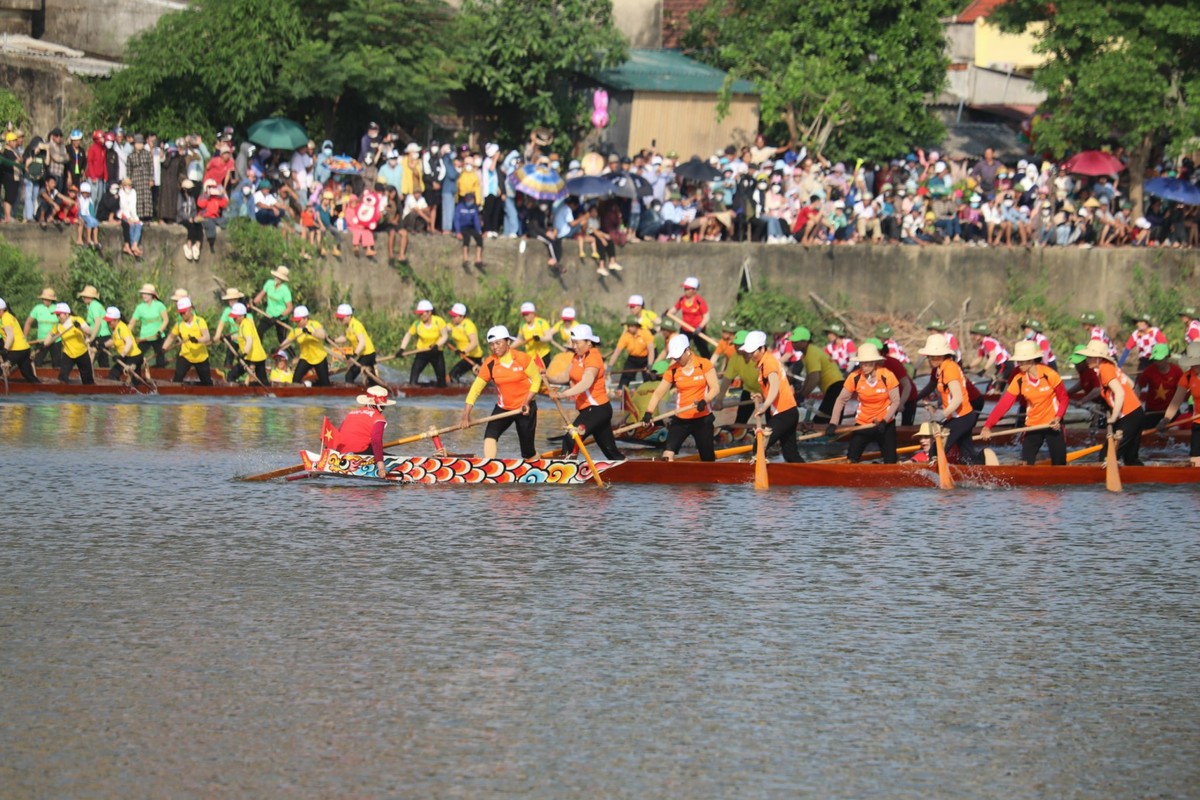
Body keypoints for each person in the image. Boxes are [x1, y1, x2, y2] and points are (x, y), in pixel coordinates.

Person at [981, 339, 1070, 464]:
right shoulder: (1019, 379)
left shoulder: (1050, 374)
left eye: (1021, 361)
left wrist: (1058, 417)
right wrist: (988, 425)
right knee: (1026, 463)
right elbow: (1004, 405)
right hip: (1033, 425)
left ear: (1032, 360)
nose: (1018, 364)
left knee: (1059, 463)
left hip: (1052, 424)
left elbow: (1064, 398)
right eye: (1018, 361)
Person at [460, 325, 540, 459]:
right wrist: (466, 414)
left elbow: (537, 380)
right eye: (491, 344)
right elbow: (475, 389)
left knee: (528, 452)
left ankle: (537, 462)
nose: (494, 347)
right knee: (490, 436)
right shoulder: (489, 363)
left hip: (525, 408)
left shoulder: (522, 358)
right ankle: (490, 467)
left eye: (498, 343)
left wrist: (526, 402)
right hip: (503, 408)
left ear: (508, 342)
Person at [549, 324, 624, 461]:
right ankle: (626, 471)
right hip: (588, 410)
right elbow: (564, 377)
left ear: (589, 343)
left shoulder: (593, 358)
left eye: (577, 343)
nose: (574, 346)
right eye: (573, 343)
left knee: (571, 438)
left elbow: (586, 382)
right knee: (610, 452)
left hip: (598, 409)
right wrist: (545, 376)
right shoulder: (576, 357)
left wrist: (562, 394)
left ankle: (564, 473)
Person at [643, 334, 720, 461]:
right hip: (681, 419)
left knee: (707, 458)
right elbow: (658, 393)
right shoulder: (672, 370)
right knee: (667, 454)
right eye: (674, 357)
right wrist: (648, 412)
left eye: (678, 356)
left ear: (688, 351)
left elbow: (715, 388)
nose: (677, 359)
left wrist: (704, 401)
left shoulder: (704, 364)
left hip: (703, 419)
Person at [827, 342, 901, 463]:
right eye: (862, 363)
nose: (864, 366)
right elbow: (840, 400)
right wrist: (833, 423)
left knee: (890, 461)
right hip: (863, 423)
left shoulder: (887, 375)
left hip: (884, 425)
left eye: (868, 363)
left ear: (875, 362)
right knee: (851, 459)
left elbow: (896, 401)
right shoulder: (854, 377)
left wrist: (885, 420)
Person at [918, 333, 982, 465]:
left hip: (962, 417)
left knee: (935, 451)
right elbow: (944, 393)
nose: (929, 359)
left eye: (932, 356)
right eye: (929, 356)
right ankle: (980, 473)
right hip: (956, 417)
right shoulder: (940, 369)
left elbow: (958, 398)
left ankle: (935, 473)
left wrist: (941, 415)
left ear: (941, 355)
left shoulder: (950, 368)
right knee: (967, 456)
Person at [1079, 339, 1145, 466]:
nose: (1087, 360)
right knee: (1130, 458)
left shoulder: (1105, 370)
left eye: (1090, 357)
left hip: (1129, 416)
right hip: (1135, 413)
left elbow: (1120, 392)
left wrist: (1114, 416)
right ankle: (1144, 481)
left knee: (1107, 457)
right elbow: (1130, 384)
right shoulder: (1110, 367)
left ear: (1098, 358)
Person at [741, 330, 802, 462]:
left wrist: (764, 407)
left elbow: (775, 386)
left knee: (759, 445)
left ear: (762, 348)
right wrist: (762, 397)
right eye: (749, 352)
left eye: (753, 352)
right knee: (790, 454)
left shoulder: (768, 362)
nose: (751, 355)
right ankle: (809, 477)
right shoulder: (763, 363)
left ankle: (755, 478)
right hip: (787, 411)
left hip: (784, 413)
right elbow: (771, 388)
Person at [330, 385, 395, 479]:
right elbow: (376, 441)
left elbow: (338, 434)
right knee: (393, 458)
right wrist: (381, 468)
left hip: (340, 455)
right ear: (381, 406)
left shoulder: (352, 413)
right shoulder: (378, 418)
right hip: (359, 455)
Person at [1156, 342, 1200, 466]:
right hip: (1198, 423)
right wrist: (1166, 419)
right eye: (1192, 364)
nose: (1194, 367)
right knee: (1195, 461)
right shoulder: (1187, 377)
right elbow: (1176, 402)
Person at [790, 326, 844, 424]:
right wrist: (801, 393)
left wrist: (802, 395)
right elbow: (809, 378)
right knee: (826, 419)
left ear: (805, 342)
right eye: (792, 342)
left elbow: (814, 379)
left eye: (795, 342)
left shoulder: (811, 353)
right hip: (834, 388)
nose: (793, 344)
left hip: (836, 387)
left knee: (823, 421)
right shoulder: (807, 354)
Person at [161, 297, 212, 385]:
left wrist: (197, 340)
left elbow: (207, 337)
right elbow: (171, 337)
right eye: (180, 313)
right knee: (177, 378)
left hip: (200, 356)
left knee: (207, 383)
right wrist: (164, 347)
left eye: (184, 312)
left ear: (190, 309)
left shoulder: (200, 321)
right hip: (185, 355)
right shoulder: (179, 324)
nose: (182, 315)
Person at [398, 299, 448, 386]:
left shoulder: (438, 321)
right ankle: (417, 387)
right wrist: (402, 349)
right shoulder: (417, 324)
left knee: (442, 384)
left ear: (429, 312)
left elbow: (445, 336)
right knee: (412, 381)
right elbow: (408, 335)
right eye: (419, 313)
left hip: (436, 352)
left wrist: (437, 345)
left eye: (422, 313)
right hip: (422, 353)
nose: (421, 315)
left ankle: (437, 385)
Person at [46, 302, 95, 384]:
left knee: (88, 381)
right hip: (68, 354)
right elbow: (47, 340)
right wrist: (50, 340)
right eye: (56, 315)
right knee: (62, 378)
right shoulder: (57, 326)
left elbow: (90, 332)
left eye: (59, 314)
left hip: (82, 353)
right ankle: (64, 393)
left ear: (67, 314)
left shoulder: (77, 320)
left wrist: (80, 327)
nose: (58, 317)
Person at [282, 305, 331, 387]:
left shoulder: (314, 324)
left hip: (319, 358)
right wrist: (278, 349)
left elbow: (323, 335)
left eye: (298, 321)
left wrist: (311, 332)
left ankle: (312, 384)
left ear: (305, 318)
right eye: (296, 321)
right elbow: (287, 342)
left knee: (325, 384)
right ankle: (306, 387)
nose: (297, 323)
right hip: (305, 358)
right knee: (295, 381)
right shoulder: (296, 330)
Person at [333, 303, 380, 387]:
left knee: (349, 376)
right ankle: (374, 388)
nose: (340, 320)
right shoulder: (348, 326)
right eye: (339, 318)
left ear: (348, 316)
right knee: (371, 378)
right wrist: (333, 340)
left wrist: (354, 355)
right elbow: (344, 337)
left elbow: (362, 342)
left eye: (341, 318)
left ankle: (352, 392)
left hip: (368, 354)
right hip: (363, 355)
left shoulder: (356, 325)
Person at [1136, 343, 1181, 426]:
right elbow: (1138, 388)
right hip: (1152, 412)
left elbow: (1183, 391)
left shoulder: (1177, 371)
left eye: (1160, 359)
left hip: (1171, 411)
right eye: (1155, 359)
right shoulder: (1148, 371)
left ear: (1167, 357)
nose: (1157, 362)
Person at [666, 277, 711, 358]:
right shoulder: (682, 299)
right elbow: (674, 309)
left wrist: (700, 327)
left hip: (697, 330)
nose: (685, 291)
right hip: (685, 329)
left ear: (694, 290)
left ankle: (709, 364)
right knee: (680, 347)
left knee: (703, 349)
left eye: (687, 289)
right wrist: (667, 314)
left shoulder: (699, 301)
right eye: (685, 289)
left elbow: (706, 317)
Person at [608, 315, 656, 387]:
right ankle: (621, 391)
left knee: (648, 377)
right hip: (632, 359)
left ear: (636, 326)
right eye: (628, 326)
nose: (629, 328)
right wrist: (610, 367)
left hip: (645, 358)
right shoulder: (625, 336)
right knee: (625, 377)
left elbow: (651, 350)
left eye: (631, 326)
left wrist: (650, 364)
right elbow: (617, 352)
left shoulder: (645, 333)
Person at [253, 266, 293, 349]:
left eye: (279, 278)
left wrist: (279, 316)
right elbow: (261, 295)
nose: (277, 279)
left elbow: (289, 308)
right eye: (276, 276)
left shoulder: (285, 290)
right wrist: (253, 303)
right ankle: (259, 351)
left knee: (282, 339)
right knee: (259, 331)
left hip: (281, 318)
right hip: (269, 315)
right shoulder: (269, 283)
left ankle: (294, 357)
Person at [129, 283, 170, 368]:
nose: (144, 295)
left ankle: (160, 376)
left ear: (152, 295)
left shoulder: (159, 305)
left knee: (160, 358)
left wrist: (159, 331)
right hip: (145, 337)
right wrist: (126, 333)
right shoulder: (140, 308)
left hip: (158, 336)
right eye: (143, 293)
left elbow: (166, 320)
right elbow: (132, 322)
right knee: (137, 356)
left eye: (147, 294)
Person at [227, 302, 267, 385]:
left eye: (235, 318)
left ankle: (233, 392)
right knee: (262, 381)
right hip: (257, 357)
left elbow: (249, 340)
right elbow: (242, 337)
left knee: (231, 376)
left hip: (252, 358)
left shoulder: (246, 325)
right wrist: (230, 338)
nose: (234, 319)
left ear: (242, 316)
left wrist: (244, 353)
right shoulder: (244, 324)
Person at [0, 297, 39, 382]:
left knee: (3, 368)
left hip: (17, 350)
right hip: (24, 349)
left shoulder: (5, 318)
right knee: (27, 374)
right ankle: (41, 388)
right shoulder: (8, 316)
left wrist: (5, 349)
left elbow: (10, 335)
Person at [25, 288, 62, 369]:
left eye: (48, 299)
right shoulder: (37, 308)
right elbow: (28, 323)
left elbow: (64, 323)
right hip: (41, 340)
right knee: (37, 361)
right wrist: (25, 337)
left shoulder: (57, 308)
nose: (46, 300)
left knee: (57, 363)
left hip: (55, 340)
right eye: (44, 299)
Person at [103, 306, 143, 381]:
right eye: (107, 321)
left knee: (135, 381)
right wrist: (102, 345)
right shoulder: (116, 328)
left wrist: (121, 356)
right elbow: (113, 341)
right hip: (127, 356)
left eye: (110, 321)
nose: (108, 323)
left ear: (116, 320)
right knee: (113, 373)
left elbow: (129, 343)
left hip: (134, 357)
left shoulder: (122, 328)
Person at [445, 302, 483, 383]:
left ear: (462, 316)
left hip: (474, 357)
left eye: (455, 316)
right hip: (466, 357)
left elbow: (474, 342)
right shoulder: (452, 324)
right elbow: (444, 330)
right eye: (452, 316)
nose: (453, 318)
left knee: (452, 377)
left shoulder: (468, 325)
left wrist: (463, 351)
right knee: (450, 377)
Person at [77, 285, 110, 369]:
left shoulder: (94, 306)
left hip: (100, 336)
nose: (83, 298)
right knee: (101, 361)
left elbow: (97, 323)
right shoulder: (91, 305)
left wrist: (92, 338)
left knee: (95, 358)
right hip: (99, 335)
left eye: (85, 296)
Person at [512, 301, 551, 368]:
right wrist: (508, 348)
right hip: (530, 357)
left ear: (533, 313)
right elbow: (519, 340)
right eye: (523, 314)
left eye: (527, 314)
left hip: (543, 355)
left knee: (544, 375)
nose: (525, 316)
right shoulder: (523, 326)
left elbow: (549, 337)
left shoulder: (541, 322)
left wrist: (540, 338)